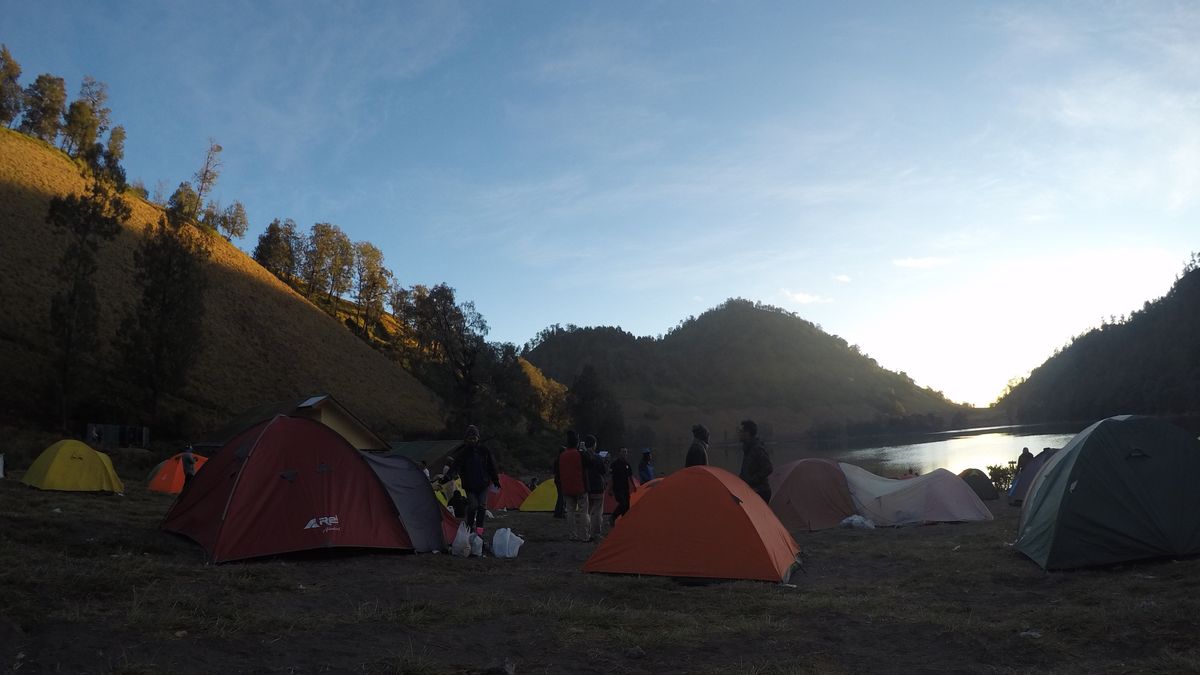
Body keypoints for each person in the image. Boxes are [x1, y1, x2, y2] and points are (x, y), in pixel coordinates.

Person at [443, 425, 501, 540]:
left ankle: (479, 531)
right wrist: (447, 476)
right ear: (466, 439)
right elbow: (455, 466)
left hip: (483, 484)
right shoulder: (463, 453)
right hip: (470, 486)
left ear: (478, 438)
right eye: (470, 438)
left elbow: (491, 466)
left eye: (474, 438)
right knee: (473, 506)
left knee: (482, 507)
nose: (472, 440)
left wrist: (495, 480)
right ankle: (469, 527)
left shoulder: (484, 451)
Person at [554, 430, 590, 541]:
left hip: (567, 487)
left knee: (570, 511)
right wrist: (584, 451)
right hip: (580, 487)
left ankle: (572, 535)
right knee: (583, 511)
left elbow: (557, 471)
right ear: (577, 442)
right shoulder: (580, 454)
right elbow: (590, 463)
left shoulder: (561, 456)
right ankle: (584, 535)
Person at [737, 419, 772, 503]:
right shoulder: (748, 449)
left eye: (741, 431)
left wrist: (752, 481)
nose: (739, 433)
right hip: (750, 490)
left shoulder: (757, 449)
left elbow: (768, 468)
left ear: (747, 433)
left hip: (760, 491)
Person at [583, 434, 607, 541]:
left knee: (587, 511)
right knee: (597, 511)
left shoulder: (582, 456)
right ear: (594, 445)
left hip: (586, 487)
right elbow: (603, 471)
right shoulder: (598, 457)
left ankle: (586, 532)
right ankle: (595, 533)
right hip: (597, 487)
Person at [609, 447, 634, 526]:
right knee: (622, 503)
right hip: (617, 488)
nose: (624, 453)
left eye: (625, 452)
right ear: (619, 453)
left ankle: (624, 523)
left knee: (627, 506)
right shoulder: (614, 464)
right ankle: (613, 516)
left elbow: (630, 476)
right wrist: (610, 489)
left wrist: (634, 486)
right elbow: (611, 477)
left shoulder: (627, 464)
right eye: (623, 452)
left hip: (625, 488)